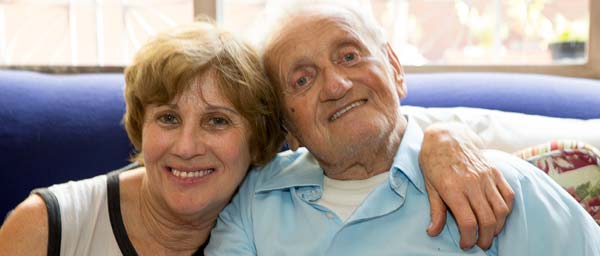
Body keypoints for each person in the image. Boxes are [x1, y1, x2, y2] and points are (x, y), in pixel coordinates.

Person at [0, 20, 510, 255]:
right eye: (168, 118)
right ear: (140, 125)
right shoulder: (46, 229)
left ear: (267, 141)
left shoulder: (268, 195)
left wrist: (442, 138)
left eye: (218, 121)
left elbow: (369, 125)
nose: (187, 146)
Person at [205, 2, 600, 255]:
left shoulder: (498, 185)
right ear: (287, 123)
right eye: (302, 80)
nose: (337, 86)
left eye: (349, 55)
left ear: (394, 68)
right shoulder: (255, 201)